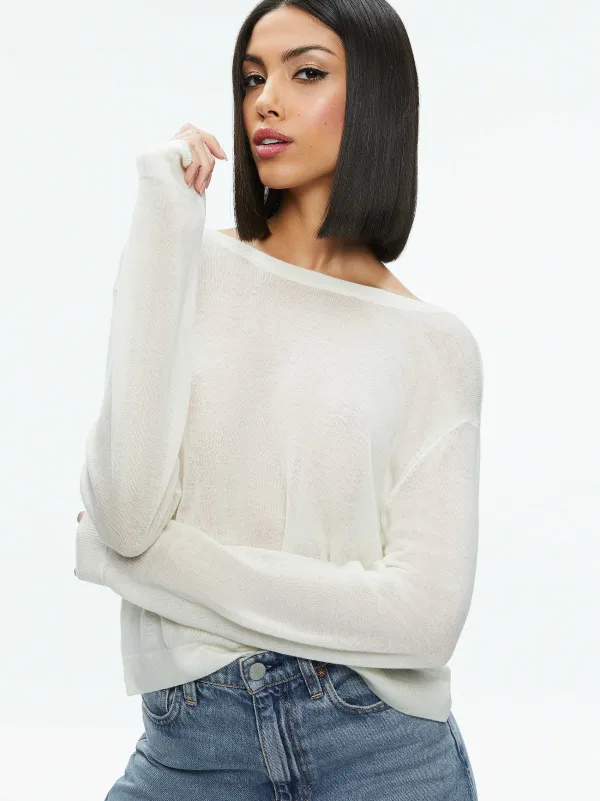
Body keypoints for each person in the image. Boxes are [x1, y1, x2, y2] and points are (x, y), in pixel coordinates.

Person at [75, 1, 483, 798]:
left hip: (380, 747)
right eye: (252, 78)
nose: (265, 101)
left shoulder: (434, 345)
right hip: (192, 746)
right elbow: (124, 511)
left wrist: (136, 562)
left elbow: (423, 619)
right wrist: (163, 208)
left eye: (306, 73)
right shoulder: (182, 260)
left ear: (377, 100)